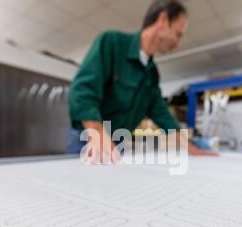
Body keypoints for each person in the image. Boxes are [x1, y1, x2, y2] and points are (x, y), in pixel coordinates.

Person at [68, 0, 216, 164]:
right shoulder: (111, 43)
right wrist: (96, 134)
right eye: (178, 34)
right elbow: (82, 91)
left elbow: (162, 115)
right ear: (163, 20)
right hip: (88, 138)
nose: (178, 43)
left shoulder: (151, 74)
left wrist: (191, 148)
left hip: (116, 143)